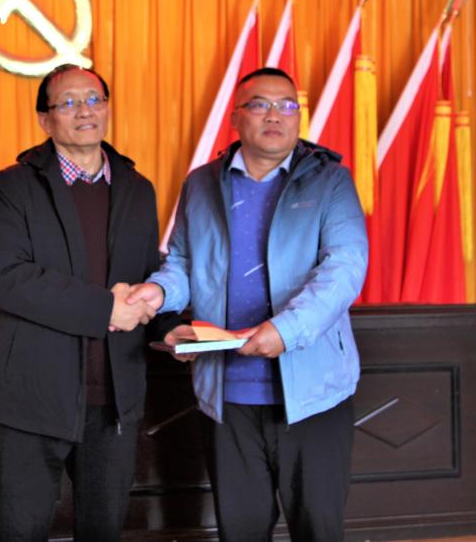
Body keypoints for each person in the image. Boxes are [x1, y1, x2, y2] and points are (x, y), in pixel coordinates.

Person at [130, 67, 368, 542]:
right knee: (240, 531)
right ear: (235, 117)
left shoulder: (330, 181)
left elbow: (344, 267)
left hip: (312, 393)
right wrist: (157, 294)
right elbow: (183, 262)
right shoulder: (201, 183)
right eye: (260, 104)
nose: (274, 115)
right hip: (227, 394)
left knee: (318, 529)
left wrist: (286, 331)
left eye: (287, 105)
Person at [0, 64, 169, 541]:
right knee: (23, 531)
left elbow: (148, 275)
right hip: (34, 395)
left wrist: (172, 329)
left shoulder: (137, 188)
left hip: (114, 399)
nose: (84, 110)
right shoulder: (13, 187)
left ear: (107, 108)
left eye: (93, 99)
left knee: (104, 530)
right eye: (68, 102)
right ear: (45, 120)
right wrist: (105, 309)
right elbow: (6, 278)